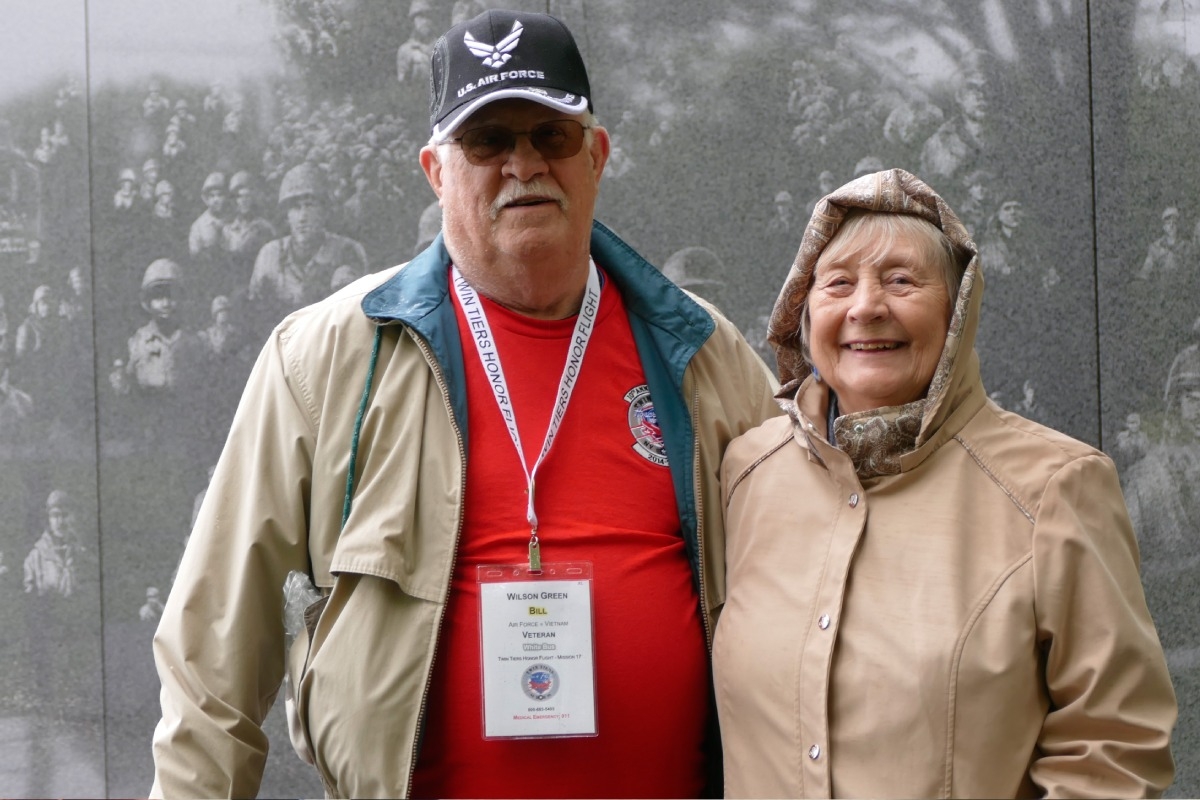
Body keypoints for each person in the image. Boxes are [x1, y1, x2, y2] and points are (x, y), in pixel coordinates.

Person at [150, 10, 779, 799]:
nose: (523, 164)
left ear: (596, 155)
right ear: (436, 171)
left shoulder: (701, 350)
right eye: (488, 141)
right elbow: (212, 650)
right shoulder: (322, 359)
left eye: (550, 134)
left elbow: (814, 590)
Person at [713, 168, 1176, 798]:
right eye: (839, 283)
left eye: (901, 280)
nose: (866, 306)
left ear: (958, 310)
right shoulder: (746, 473)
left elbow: (1116, 750)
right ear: (802, 310)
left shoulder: (1055, 488)